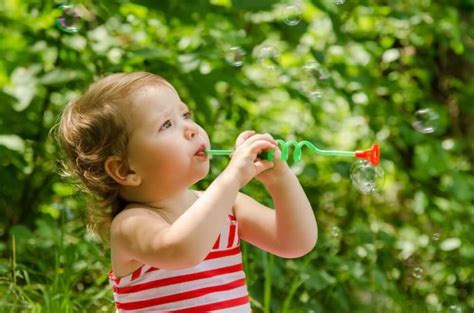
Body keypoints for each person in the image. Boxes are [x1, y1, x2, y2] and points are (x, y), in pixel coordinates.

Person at [57, 72, 317, 312]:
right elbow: (182, 250)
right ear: (125, 170)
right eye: (166, 124)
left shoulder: (230, 205)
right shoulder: (131, 225)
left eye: (186, 115)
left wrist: (279, 180)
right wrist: (233, 176)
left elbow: (295, 242)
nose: (191, 129)